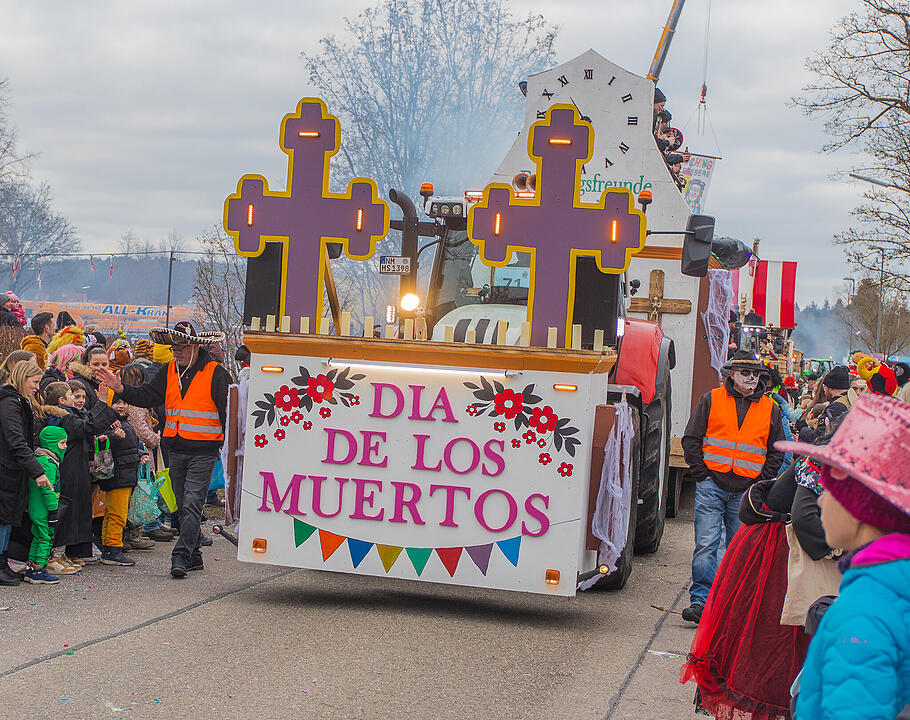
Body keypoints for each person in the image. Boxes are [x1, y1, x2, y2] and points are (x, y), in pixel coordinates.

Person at [778, 394, 910, 719]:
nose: (821, 501)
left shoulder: (862, 614)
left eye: (830, 490)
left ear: (860, 507)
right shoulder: (891, 587)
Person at [95, 321, 229, 578]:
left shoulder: (216, 373)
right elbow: (146, 396)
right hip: (175, 449)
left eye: (181, 348)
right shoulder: (169, 371)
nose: (176, 353)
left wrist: (228, 447)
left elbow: (228, 412)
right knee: (182, 504)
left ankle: (180, 555)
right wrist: (120, 388)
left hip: (204, 450)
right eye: (173, 349)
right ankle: (194, 556)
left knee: (192, 503)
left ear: (194, 346)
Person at [680, 351, 786, 623]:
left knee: (738, 549)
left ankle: (728, 602)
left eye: (756, 374)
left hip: (745, 490)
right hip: (712, 485)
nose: (751, 378)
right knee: (706, 544)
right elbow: (691, 438)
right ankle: (701, 601)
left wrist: (760, 482)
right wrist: (702, 474)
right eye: (745, 373)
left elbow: (777, 450)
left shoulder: (770, 408)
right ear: (732, 374)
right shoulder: (711, 399)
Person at [43, 379, 118, 567]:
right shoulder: (64, 417)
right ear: (61, 400)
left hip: (74, 466)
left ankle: (66, 552)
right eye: (72, 395)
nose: (78, 400)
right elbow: (88, 426)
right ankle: (56, 554)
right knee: (67, 511)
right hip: (69, 468)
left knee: (74, 510)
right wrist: (101, 403)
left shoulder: (66, 415)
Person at [0, 361, 52, 586]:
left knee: (7, 519)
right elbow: (16, 441)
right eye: (35, 382)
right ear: (23, 378)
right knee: (3, 519)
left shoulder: (17, 401)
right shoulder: (10, 403)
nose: (37, 387)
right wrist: (37, 471)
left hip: (12, 469)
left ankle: (3, 563)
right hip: (6, 469)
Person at [98, 392, 145, 567]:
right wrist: (115, 437)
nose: (121, 406)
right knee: (117, 514)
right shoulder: (109, 424)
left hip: (125, 472)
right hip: (118, 474)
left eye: (124, 402)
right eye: (116, 402)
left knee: (113, 512)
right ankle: (113, 549)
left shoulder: (124, 422)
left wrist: (141, 454)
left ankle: (108, 545)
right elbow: (103, 446)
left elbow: (129, 448)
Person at [25, 425, 69, 584]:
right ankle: (39, 570)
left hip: (36, 507)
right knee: (46, 537)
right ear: (51, 443)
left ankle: (31, 567)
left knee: (38, 536)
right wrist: (53, 510)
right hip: (44, 508)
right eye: (62, 443)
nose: (65, 447)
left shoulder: (39, 459)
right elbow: (47, 489)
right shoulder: (48, 464)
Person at [796, 365, 851, 443]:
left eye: (824, 387)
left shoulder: (835, 408)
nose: (824, 391)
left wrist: (803, 428)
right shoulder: (848, 402)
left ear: (829, 388)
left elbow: (819, 437)